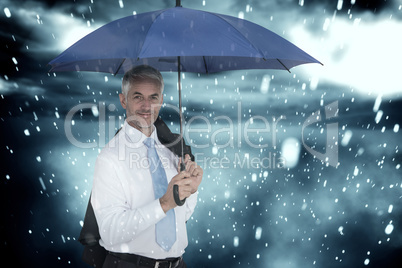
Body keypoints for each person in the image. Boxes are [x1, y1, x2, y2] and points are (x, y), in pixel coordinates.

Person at [91, 65, 203, 268]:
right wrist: (164, 203)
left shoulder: (173, 151)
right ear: (123, 100)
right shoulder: (110, 158)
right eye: (137, 97)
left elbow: (182, 215)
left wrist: (191, 190)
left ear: (161, 100)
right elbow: (110, 231)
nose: (146, 106)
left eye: (153, 97)